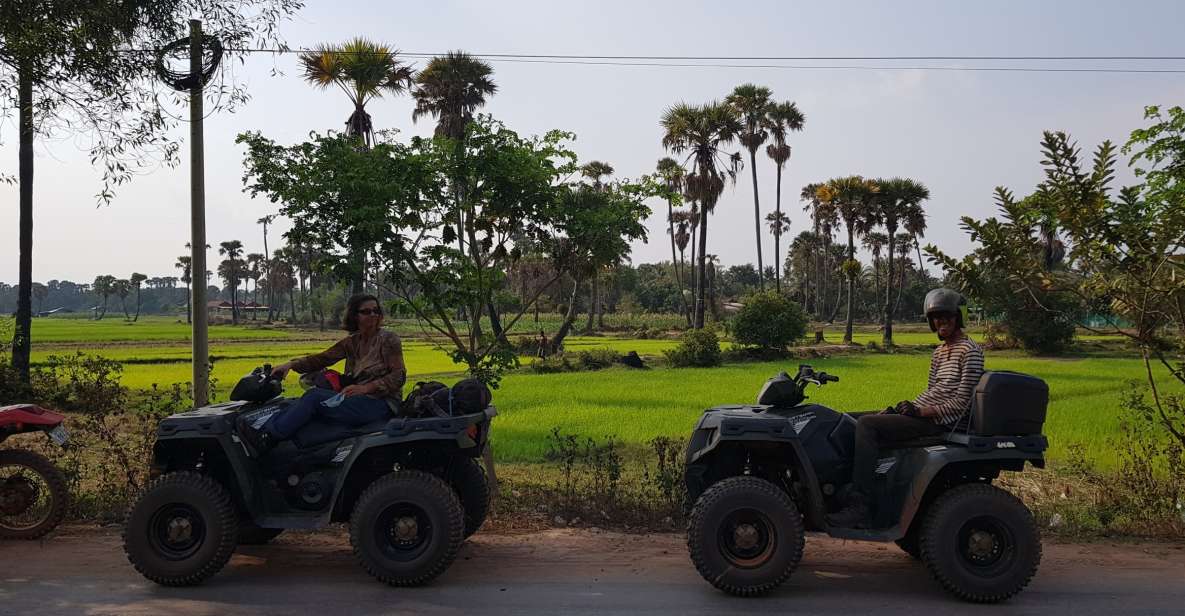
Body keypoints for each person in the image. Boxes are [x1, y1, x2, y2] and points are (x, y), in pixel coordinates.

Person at [827, 288, 985, 528]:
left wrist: (920, 412)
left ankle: (861, 506)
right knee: (848, 418)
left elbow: (962, 402)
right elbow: (932, 391)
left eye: (947, 316)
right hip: (924, 415)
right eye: (936, 318)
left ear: (958, 318)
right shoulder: (939, 353)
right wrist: (901, 409)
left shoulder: (970, 351)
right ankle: (839, 488)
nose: (941, 321)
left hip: (942, 422)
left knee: (868, 425)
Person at [237, 294, 406, 455]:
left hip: (381, 403)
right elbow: (323, 359)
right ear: (355, 316)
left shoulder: (388, 339)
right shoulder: (353, 342)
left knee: (313, 397)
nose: (373, 315)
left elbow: (399, 376)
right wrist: (291, 364)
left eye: (376, 310)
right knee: (293, 403)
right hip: (355, 398)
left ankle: (267, 439)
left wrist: (365, 388)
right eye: (366, 311)